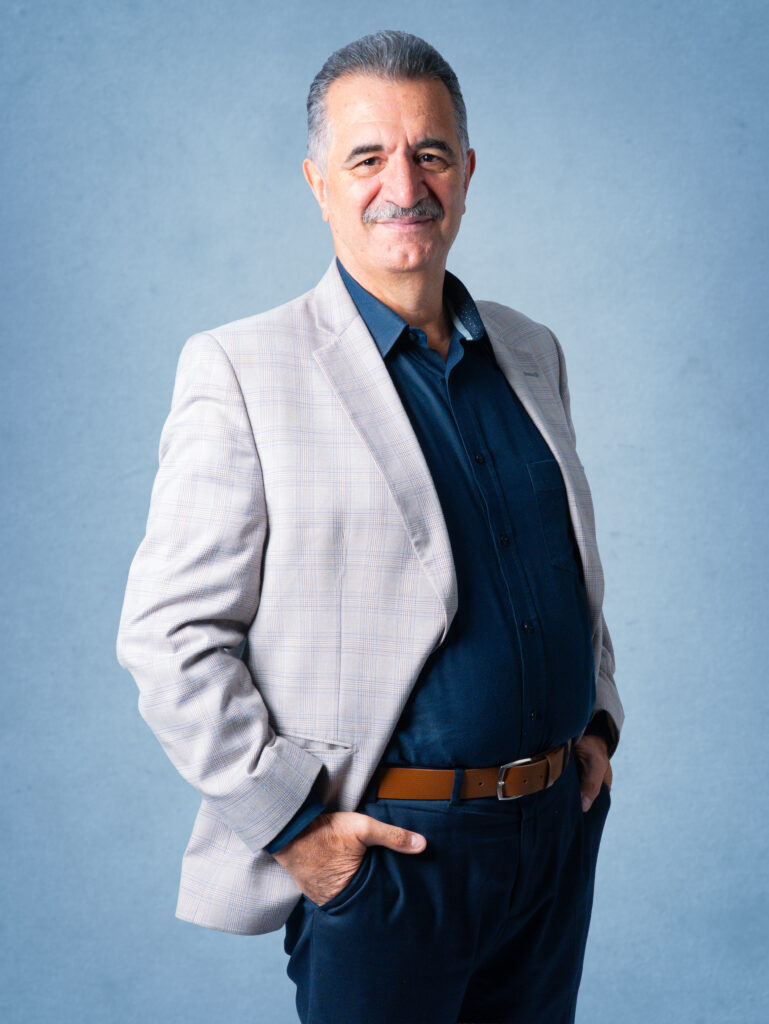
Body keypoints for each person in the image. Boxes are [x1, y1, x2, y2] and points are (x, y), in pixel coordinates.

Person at [116, 28, 624, 1024]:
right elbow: (169, 639)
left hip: (554, 841)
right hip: (392, 860)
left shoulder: (531, 351)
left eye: (429, 153)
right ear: (318, 182)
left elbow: (562, 562)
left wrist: (599, 720)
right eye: (367, 158)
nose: (405, 184)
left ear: (466, 171)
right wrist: (298, 831)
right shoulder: (241, 370)